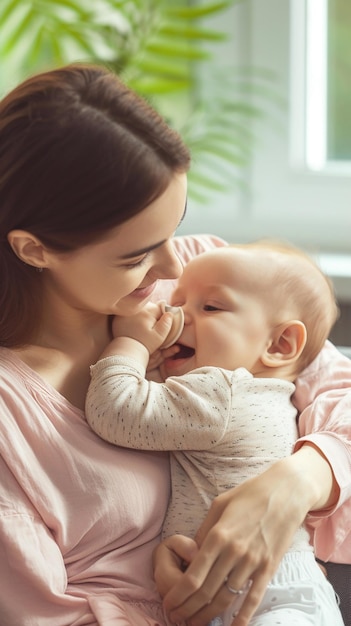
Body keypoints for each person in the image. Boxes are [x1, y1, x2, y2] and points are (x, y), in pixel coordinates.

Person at [0, 62, 350, 626]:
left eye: (175, 225)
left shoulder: (203, 275)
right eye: (135, 256)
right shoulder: (12, 415)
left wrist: (298, 481)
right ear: (34, 249)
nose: (169, 268)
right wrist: (159, 601)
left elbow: (335, 382)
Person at [85, 241, 343, 625]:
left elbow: (116, 410)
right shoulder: (258, 394)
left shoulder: (221, 392)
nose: (176, 316)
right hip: (253, 586)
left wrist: (132, 344)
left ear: (280, 344)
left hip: (270, 595)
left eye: (210, 307)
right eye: (178, 302)